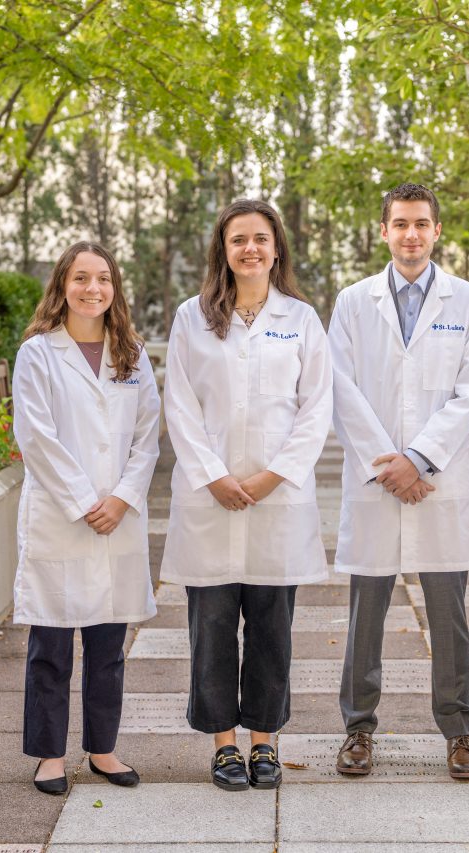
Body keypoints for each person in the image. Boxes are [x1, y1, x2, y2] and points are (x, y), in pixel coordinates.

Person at [161, 199, 332, 791]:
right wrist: (212, 474)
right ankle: (223, 746)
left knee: (270, 630)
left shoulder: (302, 319)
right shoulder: (192, 317)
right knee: (210, 629)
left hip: (276, 499)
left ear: (276, 248)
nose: (251, 248)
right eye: (239, 240)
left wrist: (271, 477)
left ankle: (264, 742)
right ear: (224, 250)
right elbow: (179, 403)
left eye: (261, 238)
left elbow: (316, 410)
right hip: (209, 497)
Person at [328, 182, 469, 779]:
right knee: (364, 615)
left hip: (437, 483)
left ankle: (459, 730)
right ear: (384, 231)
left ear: (437, 231)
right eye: (400, 223)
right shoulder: (353, 302)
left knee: (448, 616)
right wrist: (387, 463)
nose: (411, 234)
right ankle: (357, 730)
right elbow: (340, 388)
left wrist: (417, 460)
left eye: (421, 223)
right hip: (377, 484)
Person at [12, 241, 161, 795]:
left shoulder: (133, 354)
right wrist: (84, 500)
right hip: (61, 514)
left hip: (117, 519)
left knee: (108, 645)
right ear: (62, 286)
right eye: (81, 278)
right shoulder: (38, 354)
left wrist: (121, 498)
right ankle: (49, 755)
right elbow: (35, 436)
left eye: (103, 279)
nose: (92, 288)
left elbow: (148, 436)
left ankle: (103, 749)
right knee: (49, 647)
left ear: (114, 288)